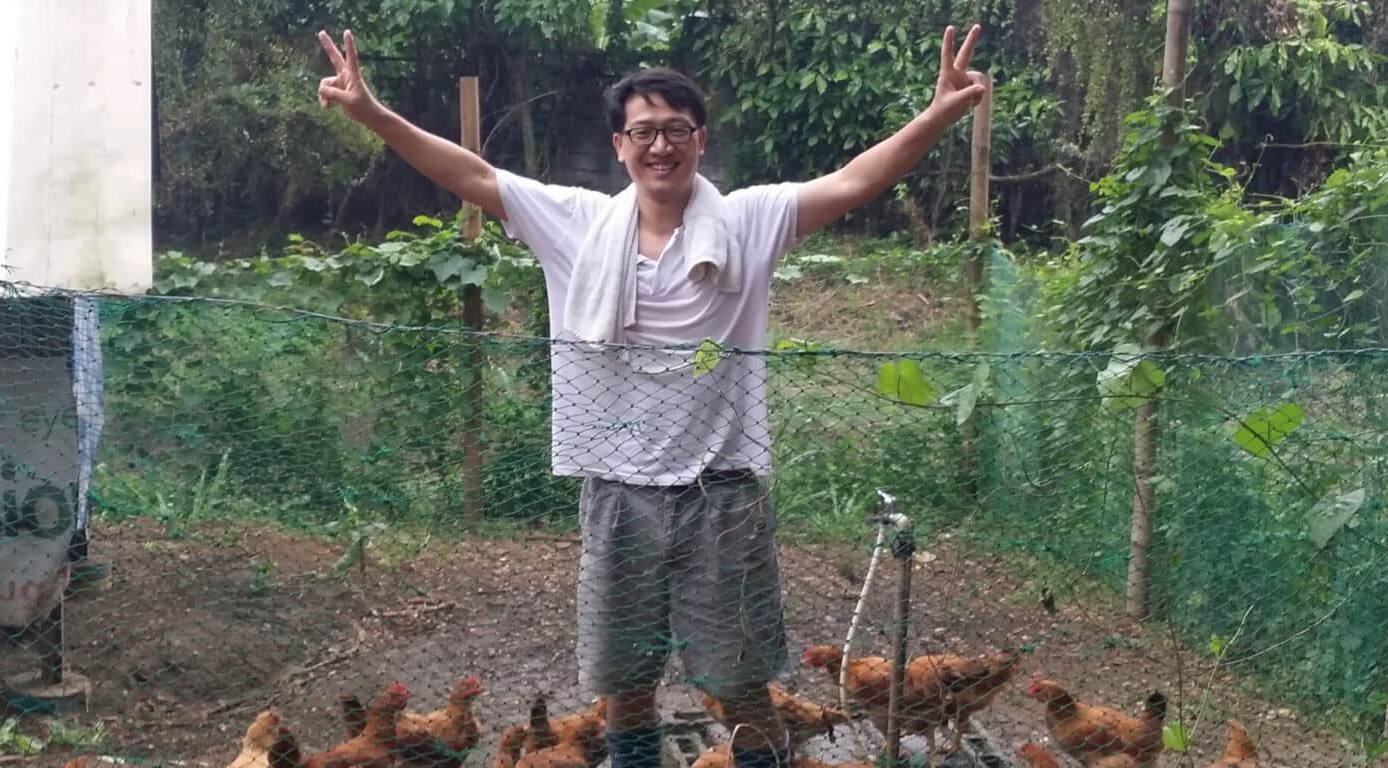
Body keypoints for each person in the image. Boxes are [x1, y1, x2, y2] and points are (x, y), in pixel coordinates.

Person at [316, 25, 988, 768]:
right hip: (617, 494)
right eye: (643, 132)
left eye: (675, 130)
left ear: (699, 140)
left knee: (738, 685)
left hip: (723, 495)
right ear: (619, 146)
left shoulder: (747, 222)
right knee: (624, 684)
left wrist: (938, 114)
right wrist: (373, 114)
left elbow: (854, 181)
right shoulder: (574, 223)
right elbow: (472, 176)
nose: (660, 146)